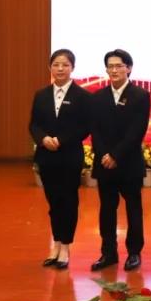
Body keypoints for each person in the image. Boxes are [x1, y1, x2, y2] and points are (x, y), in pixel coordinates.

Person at [90, 49, 150, 272]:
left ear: (129, 68)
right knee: (106, 209)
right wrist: (104, 155)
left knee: (133, 209)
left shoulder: (140, 95)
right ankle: (108, 252)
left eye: (119, 66)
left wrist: (116, 155)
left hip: (129, 162)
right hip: (104, 163)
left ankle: (134, 252)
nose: (114, 70)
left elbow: (137, 131)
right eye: (110, 66)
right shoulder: (98, 97)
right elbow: (95, 130)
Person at [30, 48, 91, 270]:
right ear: (50, 67)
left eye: (65, 65)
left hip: (69, 156)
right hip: (46, 156)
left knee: (68, 201)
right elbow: (34, 124)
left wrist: (60, 140)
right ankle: (55, 243)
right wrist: (43, 138)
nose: (60, 69)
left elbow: (85, 127)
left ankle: (65, 246)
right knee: (53, 202)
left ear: (72, 68)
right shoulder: (41, 95)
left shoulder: (83, 96)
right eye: (56, 64)